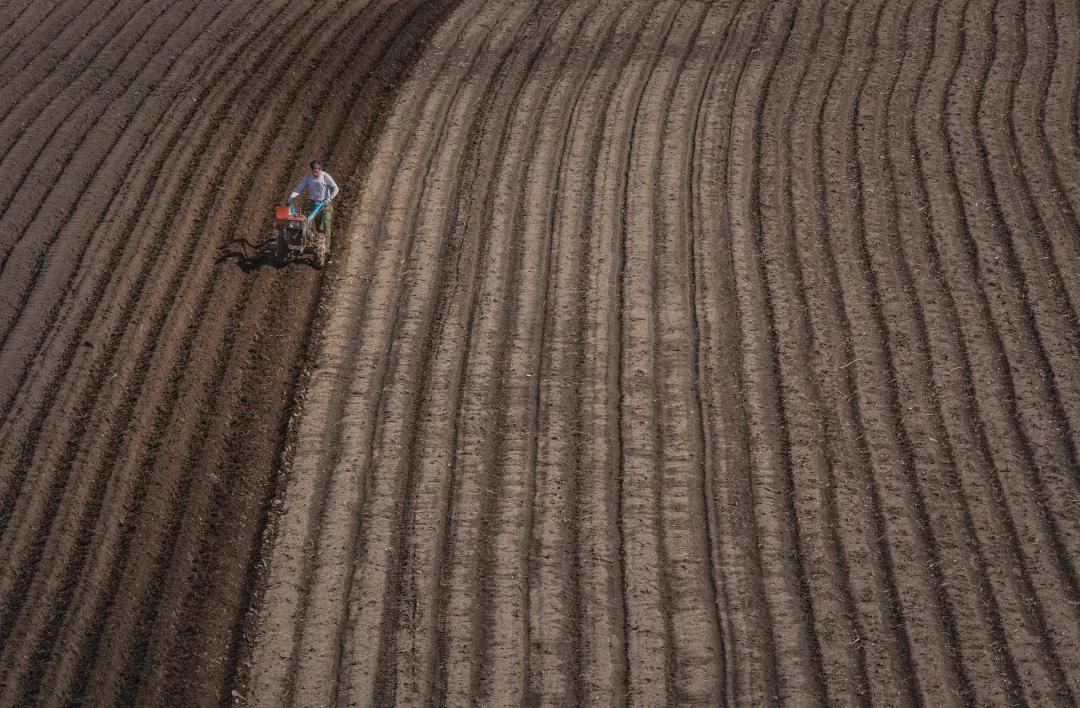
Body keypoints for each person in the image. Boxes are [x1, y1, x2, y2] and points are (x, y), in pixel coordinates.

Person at [290, 160, 339, 251]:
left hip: (325, 204)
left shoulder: (325, 176)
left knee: (326, 224)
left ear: (320, 170)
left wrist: (329, 199)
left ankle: (326, 247)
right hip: (314, 204)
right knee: (314, 224)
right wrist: (292, 195)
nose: (315, 173)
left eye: (316, 171)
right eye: (313, 171)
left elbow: (336, 188)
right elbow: (299, 188)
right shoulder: (308, 178)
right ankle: (315, 240)